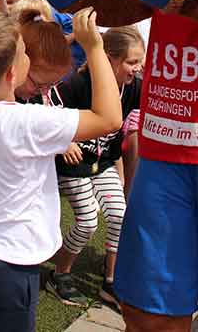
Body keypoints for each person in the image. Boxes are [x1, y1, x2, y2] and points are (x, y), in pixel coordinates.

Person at [0, 8, 122, 332]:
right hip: (10, 263)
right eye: (24, 52)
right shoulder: (29, 122)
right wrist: (94, 48)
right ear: (12, 71)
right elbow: (109, 118)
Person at [46, 26, 144, 308]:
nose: (137, 69)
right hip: (74, 165)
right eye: (132, 62)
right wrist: (63, 140)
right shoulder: (77, 84)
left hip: (102, 164)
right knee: (88, 220)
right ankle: (60, 273)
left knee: (119, 215)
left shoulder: (132, 87)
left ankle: (111, 282)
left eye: (139, 61)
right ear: (109, 59)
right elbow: (46, 106)